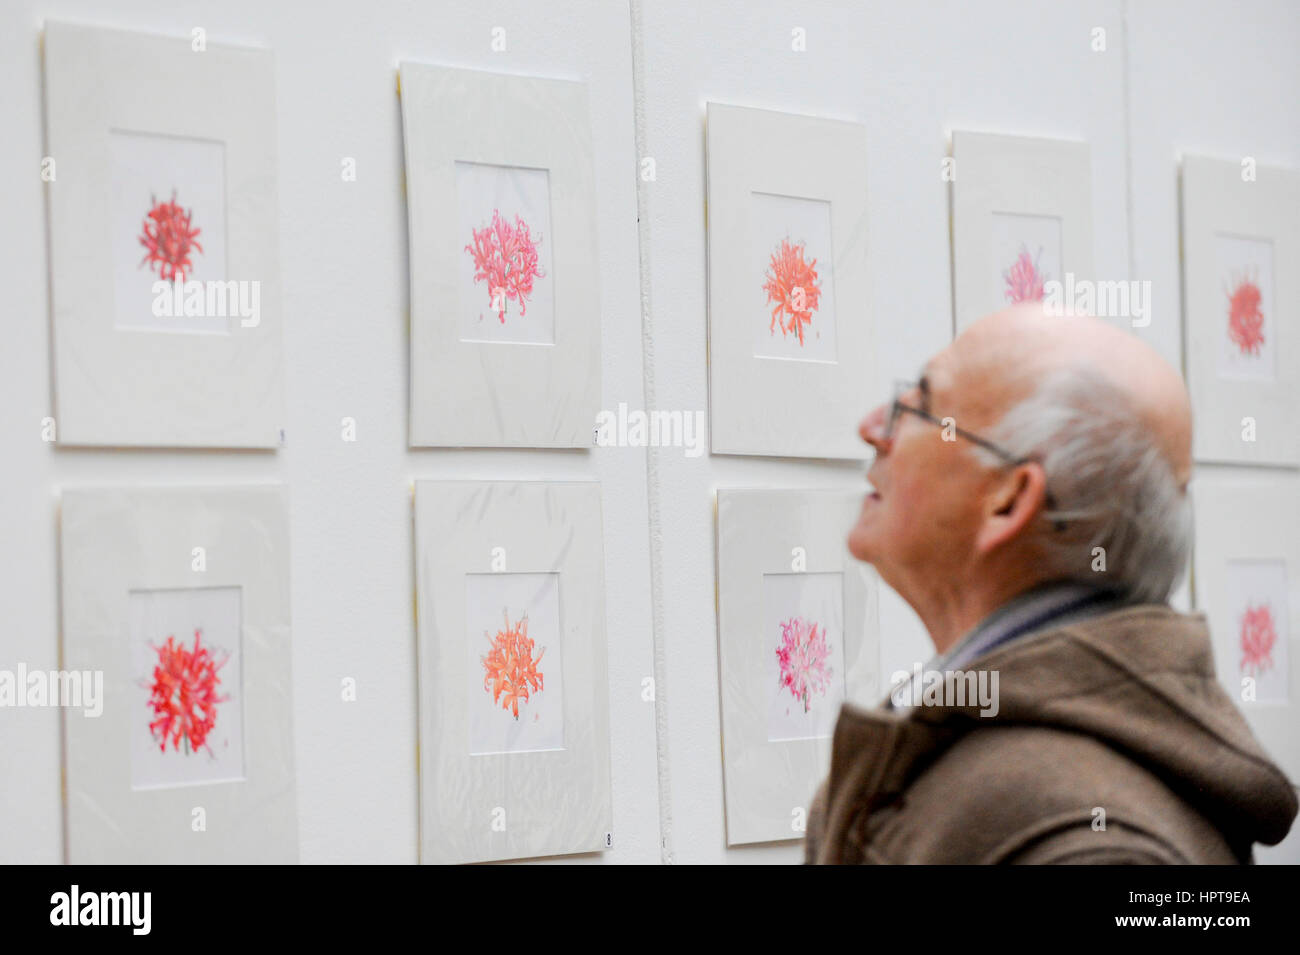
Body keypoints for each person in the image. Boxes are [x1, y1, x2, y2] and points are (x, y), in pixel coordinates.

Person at [804, 303, 1297, 864]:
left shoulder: (1092, 847)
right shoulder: (980, 750)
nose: (872, 427)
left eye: (920, 405)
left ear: (1009, 500)